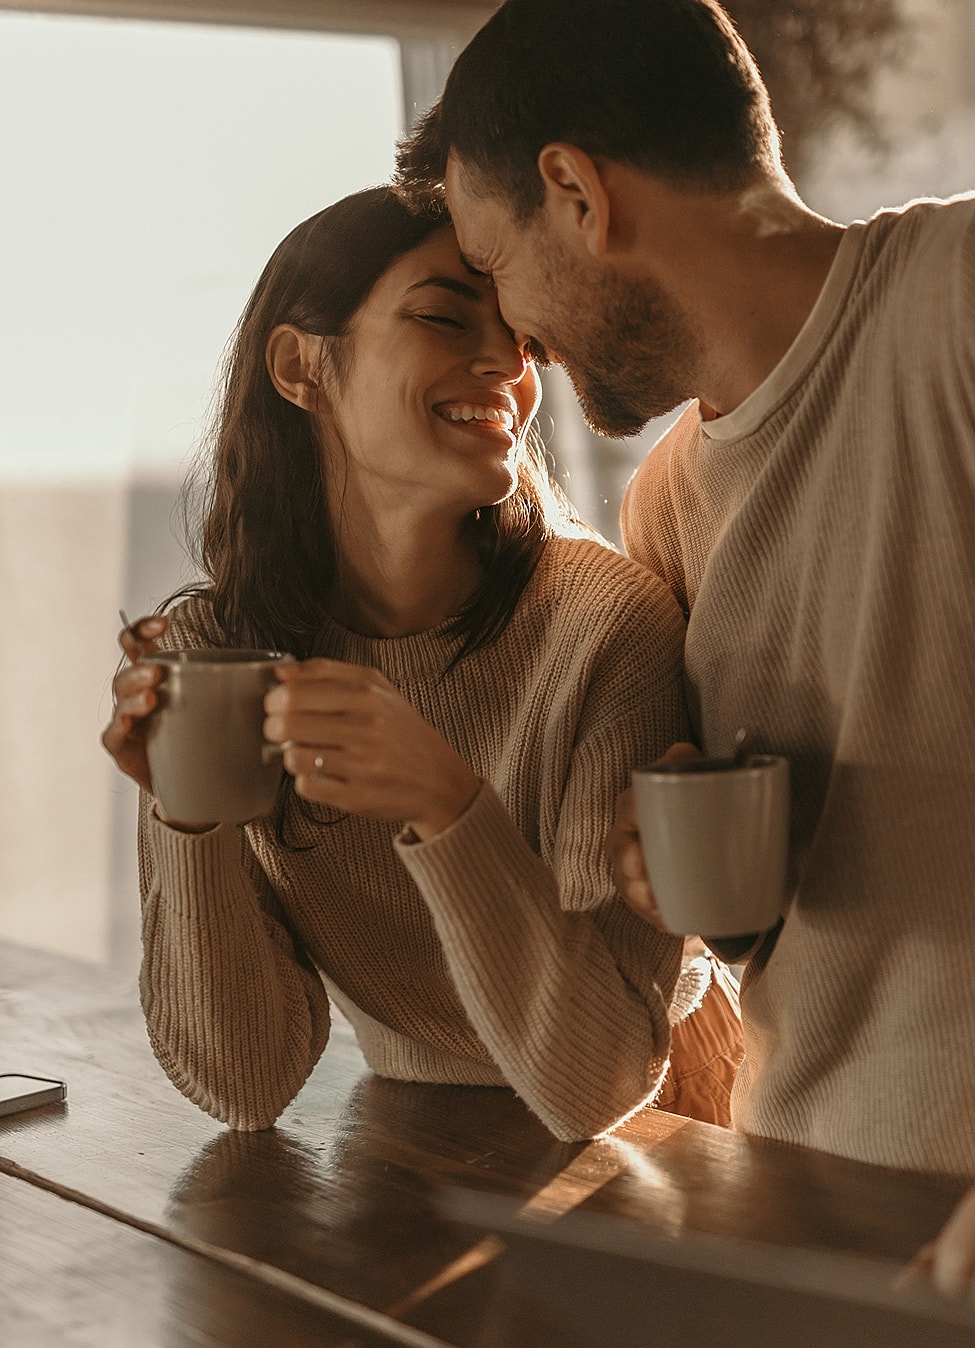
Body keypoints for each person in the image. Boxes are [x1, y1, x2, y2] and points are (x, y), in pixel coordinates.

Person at [393, 0, 975, 1311]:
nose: (514, 342)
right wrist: (694, 893)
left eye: (493, 265)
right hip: (789, 1239)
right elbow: (800, 923)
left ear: (579, 193)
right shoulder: (665, 505)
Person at [101, 185, 741, 1142]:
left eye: (521, 339)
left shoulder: (607, 628)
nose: (508, 366)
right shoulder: (218, 655)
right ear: (299, 365)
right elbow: (243, 1085)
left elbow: (599, 1080)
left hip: (668, 1120)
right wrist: (187, 820)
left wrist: (446, 804)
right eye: (444, 317)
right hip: (412, 1130)